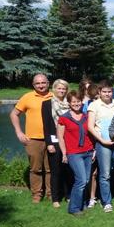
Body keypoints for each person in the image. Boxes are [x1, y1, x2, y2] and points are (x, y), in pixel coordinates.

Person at [10, 73, 53, 203]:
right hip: (33, 139)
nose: (41, 85)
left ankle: (51, 194)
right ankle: (37, 194)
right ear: (33, 85)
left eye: (43, 82)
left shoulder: (54, 96)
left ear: (48, 83)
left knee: (51, 168)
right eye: (37, 83)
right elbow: (14, 114)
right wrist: (19, 133)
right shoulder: (27, 97)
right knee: (35, 169)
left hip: (51, 138)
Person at [87, 80, 114, 212]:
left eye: (109, 91)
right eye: (104, 91)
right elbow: (90, 127)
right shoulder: (94, 105)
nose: (107, 94)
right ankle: (106, 202)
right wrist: (101, 141)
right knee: (105, 174)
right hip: (102, 143)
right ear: (99, 92)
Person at [57, 90, 95, 216]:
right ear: (69, 103)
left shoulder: (86, 117)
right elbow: (60, 137)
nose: (76, 104)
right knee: (81, 180)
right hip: (74, 153)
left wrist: (94, 149)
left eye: (78, 101)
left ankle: (81, 204)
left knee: (86, 180)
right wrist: (64, 153)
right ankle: (73, 208)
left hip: (88, 152)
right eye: (73, 102)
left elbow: (91, 134)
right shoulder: (64, 118)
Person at [42, 79, 70, 208]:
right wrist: (49, 143)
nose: (61, 91)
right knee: (56, 170)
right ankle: (55, 198)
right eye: (59, 88)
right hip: (54, 141)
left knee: (68, 169)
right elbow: (46, 125)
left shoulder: (70, 103)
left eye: (64, 88)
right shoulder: (47, 104)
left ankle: (68, 195)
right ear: (54, 89)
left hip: (69, 140)